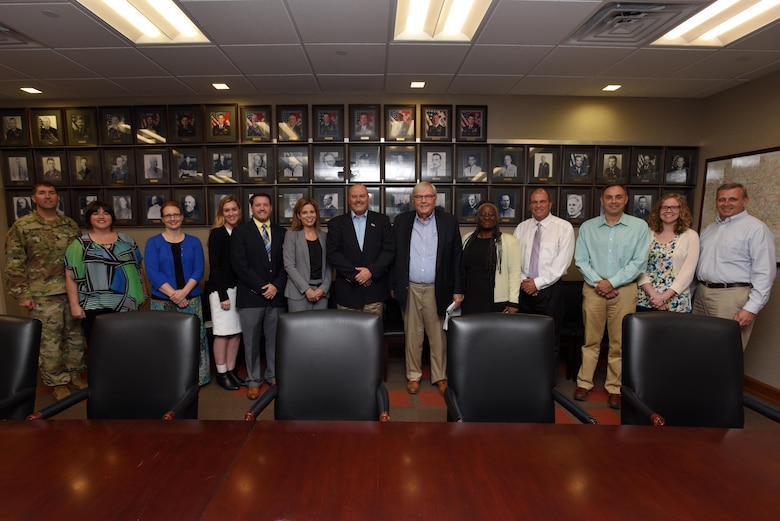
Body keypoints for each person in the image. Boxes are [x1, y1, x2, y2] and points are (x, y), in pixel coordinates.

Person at [4, 182, 83, 401]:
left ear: (57, 198)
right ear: (33, 198)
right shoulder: (23, 226)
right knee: (49, 341)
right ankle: (56, 381)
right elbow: (14, 262)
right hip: (42, 294)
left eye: (51, 193)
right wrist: (22, 294)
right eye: (42, 193)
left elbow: (80, 259)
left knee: (75, 336)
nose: (47, 197)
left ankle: (74, 374)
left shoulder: (69, 225)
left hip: (72, 291)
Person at [573, 184, 650, 409]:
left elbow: (639, 262)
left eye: (618, 197)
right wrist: (600, 283)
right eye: (609, 197)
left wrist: (612, 282)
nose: (613, 201)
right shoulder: (588, 227)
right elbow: (581, 260)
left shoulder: (639, 227)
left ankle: (615, 388)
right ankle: (584, 383)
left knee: (619, 343)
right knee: (591, 340)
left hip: (624, 290)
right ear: (602, 200)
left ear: (626, 199)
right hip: (594, 288)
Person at [392, 182, 463, 396]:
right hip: (410, 287)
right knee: (412, 335)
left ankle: (440, 376)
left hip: (438, 288)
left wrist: (458, 289)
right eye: (419, 197)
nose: (423, 201)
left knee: (438, 336)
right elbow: (394, 257)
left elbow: (457, 259)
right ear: (413, 200)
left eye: (428, 197)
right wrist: (393, 286)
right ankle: (413, 376)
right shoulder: (401, 221)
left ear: (435, 199)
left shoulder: (449, 222)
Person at [694, 183, 776, 349]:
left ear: (745, 201)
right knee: (698, 347)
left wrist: (751, 308)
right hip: (701, 294)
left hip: (731, 297)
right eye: (721, 199)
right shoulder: (710, 228)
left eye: (733, 199)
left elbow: (765, 272)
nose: (726, 203)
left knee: (725, 351)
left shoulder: (756, 229)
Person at [144, 201, 210, 386]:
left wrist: (184, 293)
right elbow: (152, 273)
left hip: (192, 300)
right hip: (162, 302)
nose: (172, 218)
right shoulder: (153, 242)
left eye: (176, 215)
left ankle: (198, 378)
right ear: (162, 219)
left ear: (182, 217)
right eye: (168, 215)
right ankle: (168, 379)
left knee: (194, 340)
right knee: (165, 342)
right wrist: (174, 294)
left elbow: (198, 270)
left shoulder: (194, 242)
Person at [64, 201, 146, 343]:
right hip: (94, 305)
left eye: (106, 213)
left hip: (127, 303)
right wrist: (74, 305)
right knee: (99, 347)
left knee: (128, 345)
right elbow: (70, 276)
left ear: (112, 217)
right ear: (89, 218)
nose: (101, 216)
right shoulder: (79, 245)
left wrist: (143, 293)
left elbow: (138, 268)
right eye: (96, 213)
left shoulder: (127, 240)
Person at [231, 193, 287, 399]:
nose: (262, 208)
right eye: (258, 205)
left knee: (275, 340)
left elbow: (286, 264)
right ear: (251, 208)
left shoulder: (282, 232)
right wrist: (263, 286)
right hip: (251, 296)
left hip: (277, 296)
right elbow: (239, 265)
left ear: (271, 208)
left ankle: (272, 375)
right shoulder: (241, 232)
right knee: (251, 342)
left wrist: (276, 286)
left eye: (265, 205)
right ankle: (253, 380)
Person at [513, 188, 575, 368]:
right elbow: (516, 259)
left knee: (549, 338)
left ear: (550, 204)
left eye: (542, 202)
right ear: (530, 205)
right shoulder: (521, 227)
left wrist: (537, 284)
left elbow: (561, 264)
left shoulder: (563, 228)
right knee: (524, 337)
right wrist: (526, 282)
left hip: (550, 292)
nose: (538, 205)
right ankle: (526, 377)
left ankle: (547, 382)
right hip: (524, 290)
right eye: (534, 202)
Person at [327, 183, 395, 316]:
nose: (358, 200)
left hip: (374, 292)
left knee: (372, 336)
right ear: (348, 199)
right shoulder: (336, 224)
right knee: (348, 336)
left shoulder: (382, 221)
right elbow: (333, 253)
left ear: (368, 198)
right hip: (347, 293)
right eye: (354, 196)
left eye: (362, 196)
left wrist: (371, 271)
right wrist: (356, 274)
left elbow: (389, 250)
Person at [637, 194, 699, 313]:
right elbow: (638, 266)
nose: (668, 211)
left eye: (674, 207)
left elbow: (688, 273)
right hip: (647, 298)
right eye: (664, 207)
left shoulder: (691, 236)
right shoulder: (647, 233)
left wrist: (663, 298)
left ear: (681, 210)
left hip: (676, 301)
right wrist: (654, 296)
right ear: (658, 210)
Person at [206, 196, 244, 391]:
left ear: (239, 211)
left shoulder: (241, 232)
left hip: (239, 290)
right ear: (222, 213)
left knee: (236, 333)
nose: (231, 213)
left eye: (234, 210)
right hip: (221, 290)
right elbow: (215, 267)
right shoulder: (217, 234)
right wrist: (223, 295)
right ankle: (221, 374)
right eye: (227, 210)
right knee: (222, 334)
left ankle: (231, 371)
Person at [460, 202, 521, 315]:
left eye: (491, 214)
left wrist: (513, 302)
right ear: (477, 217)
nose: (487, 217)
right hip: (469, 300)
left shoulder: (509, 242)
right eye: (483, 214)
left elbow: (515, 274)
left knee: (495, 333)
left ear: (497, 217)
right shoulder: (467, 239)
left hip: (496, 301)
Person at [283, 197, 331, 312]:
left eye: (312, 212)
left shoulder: (324, 236)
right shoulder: (291, 235)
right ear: (299, 215)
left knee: (320, 329)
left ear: (316, 214)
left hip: (321, 294)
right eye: (304, 212)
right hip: (298, 294)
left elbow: (329, 265)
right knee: (298, 330)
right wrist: (307, 289)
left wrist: (324, 288)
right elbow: (289, 266)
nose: (309, 215)